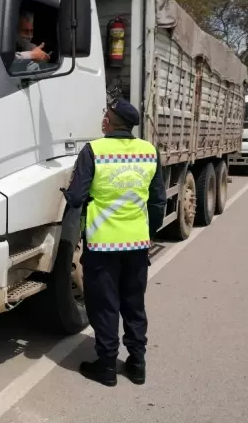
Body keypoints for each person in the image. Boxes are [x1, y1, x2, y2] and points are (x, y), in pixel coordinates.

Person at [61, 96, 166, 387]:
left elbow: (77, 196)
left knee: (105, 306)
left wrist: (69, 195)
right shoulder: (148, 151)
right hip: (136, 245)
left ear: (109, 121)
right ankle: (137, 365)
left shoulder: (94, 150)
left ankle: (106, 366)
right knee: (134, 304)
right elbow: (158, 201)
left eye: (105, 114)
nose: (102, 119)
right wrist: (149, 233)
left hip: (102, 245)